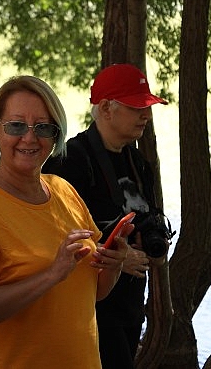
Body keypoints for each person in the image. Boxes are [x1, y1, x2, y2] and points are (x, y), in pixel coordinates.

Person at [0, 75, 129, 369]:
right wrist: (51, 275)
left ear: (55, 135)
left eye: (43, 128)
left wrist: (114, 261)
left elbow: (94, 292)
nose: (30, 138)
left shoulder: (64, 191)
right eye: (16, 126)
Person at [42, 63, 172, 368]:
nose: (147, 115)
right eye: (137, 107)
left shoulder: (139, 163)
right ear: (106, 108)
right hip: (88, 312)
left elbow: (144, 221)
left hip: (128, 309)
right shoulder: (69, 161)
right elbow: (48, 238)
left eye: (148, 107)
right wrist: (116, 258)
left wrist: (153, 244)